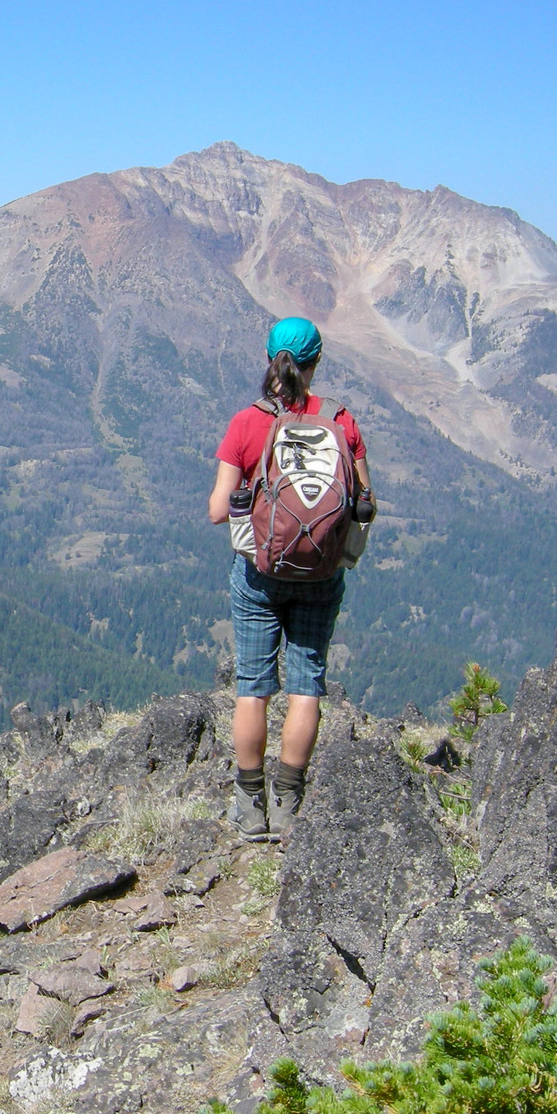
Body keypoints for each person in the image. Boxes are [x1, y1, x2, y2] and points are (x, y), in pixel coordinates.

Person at [206, 316, 373, 838]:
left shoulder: (248, 423)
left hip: (258, 573)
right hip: (321, 575)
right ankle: (287, 804)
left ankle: (249, 806)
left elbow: (217, 510)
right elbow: (364, 503)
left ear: (269, 359)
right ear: (317, 361)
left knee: (253, 688)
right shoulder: (342, 422)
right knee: (306, 686)